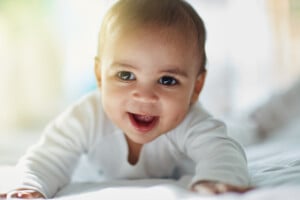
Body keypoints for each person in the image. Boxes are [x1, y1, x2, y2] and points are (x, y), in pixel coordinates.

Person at [0, 0, 251, 198]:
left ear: (197, 87)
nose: (144, 95)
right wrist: (27, 186)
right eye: (125, 75)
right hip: (94, 174)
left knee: (247, 130)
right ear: (100, 75)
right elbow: (48, 157)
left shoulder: (191, 121)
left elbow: (223, 151)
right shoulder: (88, 116)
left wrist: (219, 178)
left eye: (167, 80)